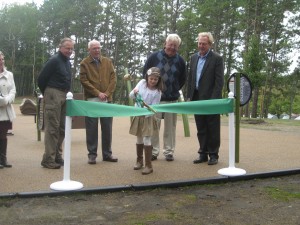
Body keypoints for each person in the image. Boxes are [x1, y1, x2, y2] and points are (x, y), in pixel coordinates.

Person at [143, 34, 186, 162]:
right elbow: (145, 73)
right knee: (154, 126)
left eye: (175, 45)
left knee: (170, 128)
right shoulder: (154, 57)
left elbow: (183, 79)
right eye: (170, 44)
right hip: (155, 99)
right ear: (165, 44)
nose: (172, 47)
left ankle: (169, 152)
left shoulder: (180, 61)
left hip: (172, 99)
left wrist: (174, 88)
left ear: (178, 47)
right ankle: (153, 152)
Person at [186, 32, 224, 165]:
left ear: (210, 44)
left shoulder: (217, 59)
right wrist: (189, 96)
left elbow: (219, 82)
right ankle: (203, 153)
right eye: (199, 43)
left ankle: (213, 154)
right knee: (201, 127)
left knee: (213, 128)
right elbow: (191, 78)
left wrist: (213, 100)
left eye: (204, 44)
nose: (201, 46)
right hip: (197, 98)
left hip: (211, 100)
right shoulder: (193, 58)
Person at [38, 37, 75, 169]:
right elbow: (41, 79)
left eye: (71, 49)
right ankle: (48, 159)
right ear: (60, 47)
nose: (69, 51)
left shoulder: (67, 62)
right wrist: (48, 93)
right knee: (52, 128)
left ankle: (57, 155)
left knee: (62, 128)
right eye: (67, 48)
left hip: (65, 95)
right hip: (53, 93)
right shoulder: (54, 60)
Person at [80, 40, 118, 164]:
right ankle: (92, 155)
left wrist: (107, 93)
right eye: (94, 48)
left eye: (98, 48)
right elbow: (84, 81)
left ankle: (107, 154)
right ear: (89, 50)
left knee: (107, 128)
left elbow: (113, 79)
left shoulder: (108, 62)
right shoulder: (84, 63)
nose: (97, 50)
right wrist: (98, 93)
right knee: (91, 129)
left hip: (107, 100)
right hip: (92, 100)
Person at [129, 67, 163, 175]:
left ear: (158, 80)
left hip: (148, 117)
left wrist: (145, 110)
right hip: (138, 115)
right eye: (151, 78)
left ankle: (149, 165)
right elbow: (131, 96)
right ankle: (139, 161)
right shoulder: (142, 83)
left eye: (155, 79)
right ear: (147, 77)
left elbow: (154, 108)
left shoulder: (157, 92)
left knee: (147, 139)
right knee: (139, 138)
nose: (153, 81)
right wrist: (134, 93)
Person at [0, 51, 16, 169]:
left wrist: (7, 100)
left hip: (5, 110)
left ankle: (3, 159)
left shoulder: (9, 74)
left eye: (2, 59)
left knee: (3, 135)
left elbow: (13, 90)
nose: (1, 61)